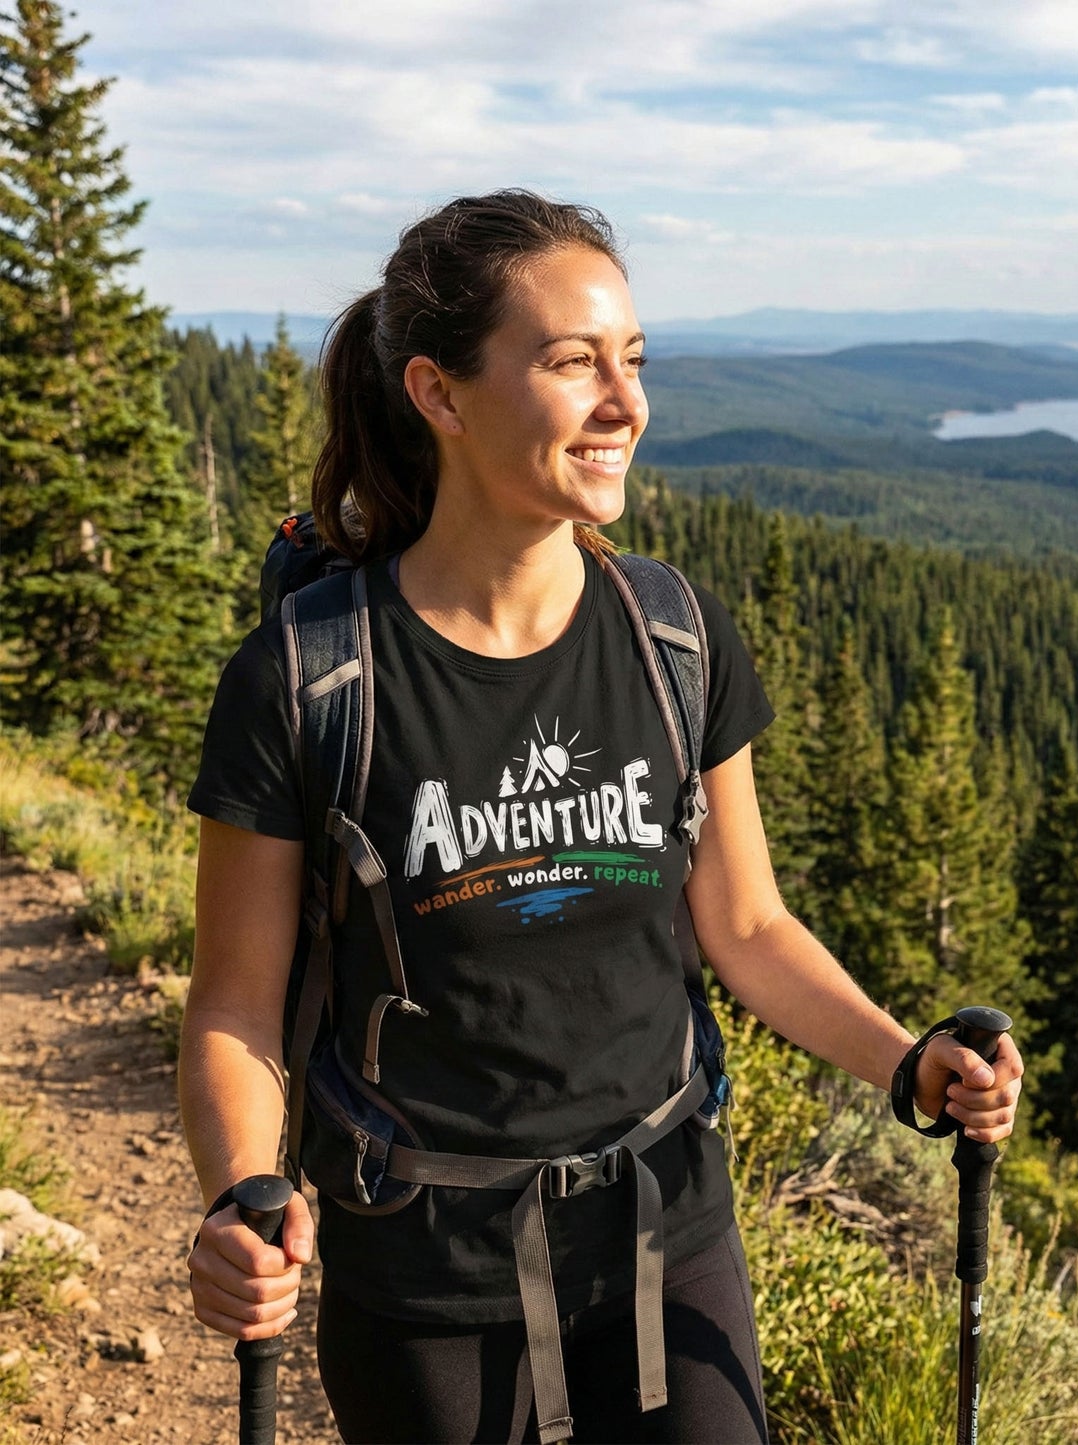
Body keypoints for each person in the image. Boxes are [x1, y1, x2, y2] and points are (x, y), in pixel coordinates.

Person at [180, 189, 1024, 1445]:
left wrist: (904, 1062)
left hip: (666, 1228)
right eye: (572, 361)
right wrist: (239, 1194)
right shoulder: (310, 680)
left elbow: (745, 925)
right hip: (424, 1271)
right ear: (439, 391)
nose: (624, 402)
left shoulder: (670, 635)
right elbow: (237, 1005)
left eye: (631, 360)